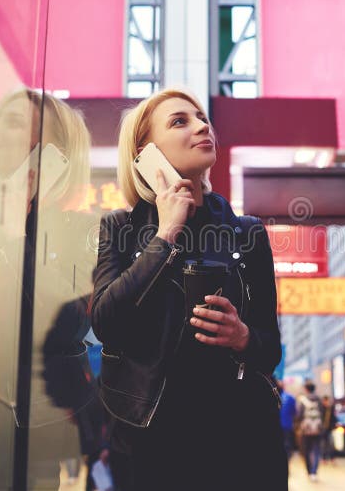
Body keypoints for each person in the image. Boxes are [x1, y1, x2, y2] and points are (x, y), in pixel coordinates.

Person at [88, 87, 286, 491]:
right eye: (181, 121)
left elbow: (271, 348)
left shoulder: (247, 233)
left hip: (240, 440)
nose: (202, 126)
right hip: (151, 441)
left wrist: (243, 336)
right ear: (145, 153)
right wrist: (165, 234)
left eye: (202, 118)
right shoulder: (120, 230)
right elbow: (106, 322)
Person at [296, 381, 324, 482]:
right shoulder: (319, 400)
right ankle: (314, 472)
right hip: (317, 428)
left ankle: (309, 471)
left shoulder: (302, 400)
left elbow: (299, 415)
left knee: (306, 451)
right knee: (316, 450)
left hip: (306, 429)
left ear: (306, 389)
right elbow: (322, 413)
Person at [278, 379, 297, 469]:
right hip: (287, 426)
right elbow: (295, 413)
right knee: (287, 446)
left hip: (276, 426)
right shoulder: (290, 398)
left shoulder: (270, 395)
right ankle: (286, 464)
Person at [321, 395, 338, 464]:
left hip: (329, 429)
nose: (326, 402)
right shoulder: (321, 408)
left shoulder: (331, 408)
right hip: (322, 429)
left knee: (331, 444)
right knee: (323, 445)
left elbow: (334, 418)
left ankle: (332, 458)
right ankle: (324, 458)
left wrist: (334, 426)